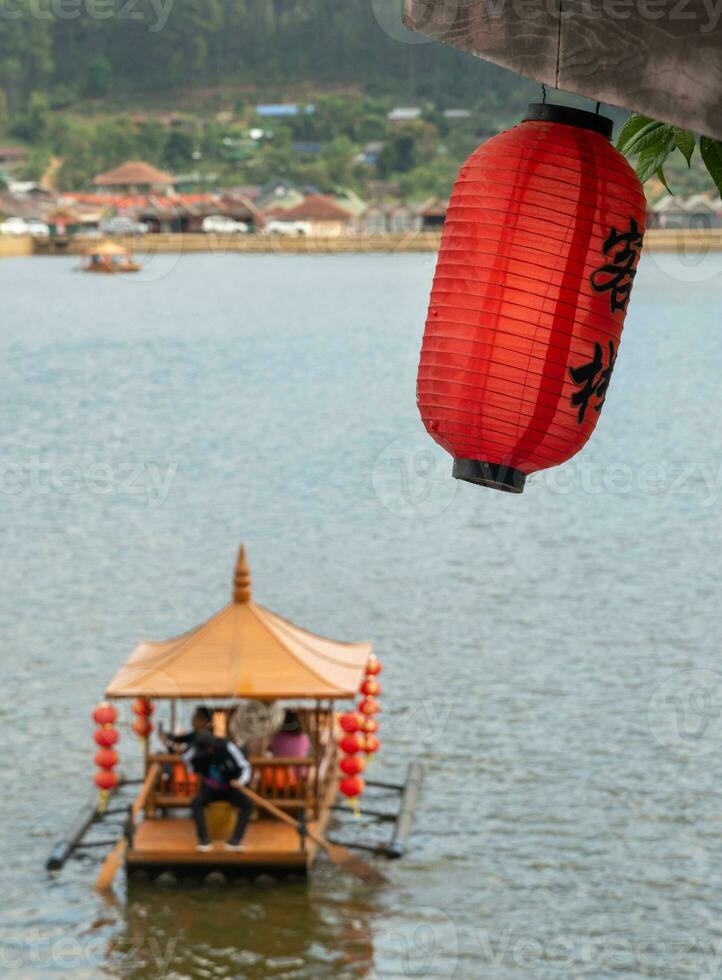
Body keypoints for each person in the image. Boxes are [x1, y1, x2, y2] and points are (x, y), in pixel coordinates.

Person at [189, 731, 253, 852]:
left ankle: (235, 840)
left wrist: (240, 781)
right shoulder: (199, 751)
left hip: (231, 788)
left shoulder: (229, 747)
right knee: (196, 802)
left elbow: (245, 766)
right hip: (211, 789)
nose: (208, 752)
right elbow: (188, 761)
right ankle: (204, 840)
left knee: (248, 804)